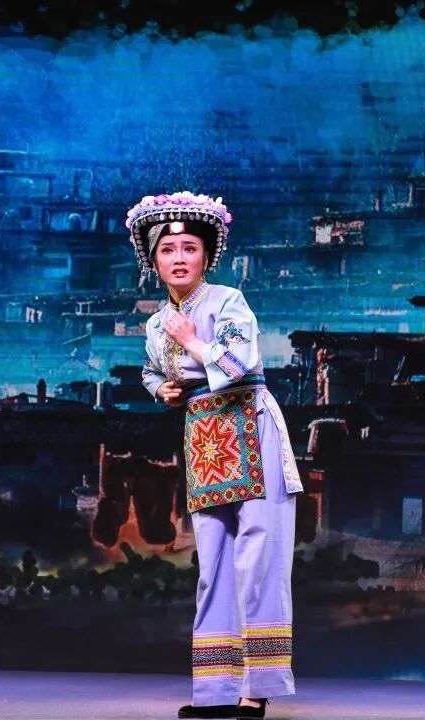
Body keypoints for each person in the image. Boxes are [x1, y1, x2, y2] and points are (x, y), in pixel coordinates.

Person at [128, 191, 304, 720]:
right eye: (167, 250)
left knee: (258, 557)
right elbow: (151, 370)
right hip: (205, 435)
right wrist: (161, 389)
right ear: (153, 261)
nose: (179, 258)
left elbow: (240, 361)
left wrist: (194, 342)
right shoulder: (156, 324)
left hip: (248, 423)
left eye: (189, 248)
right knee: (214, 564)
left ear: (206, 256)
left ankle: (256, 689)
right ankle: (215, 690)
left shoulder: (228, 301)